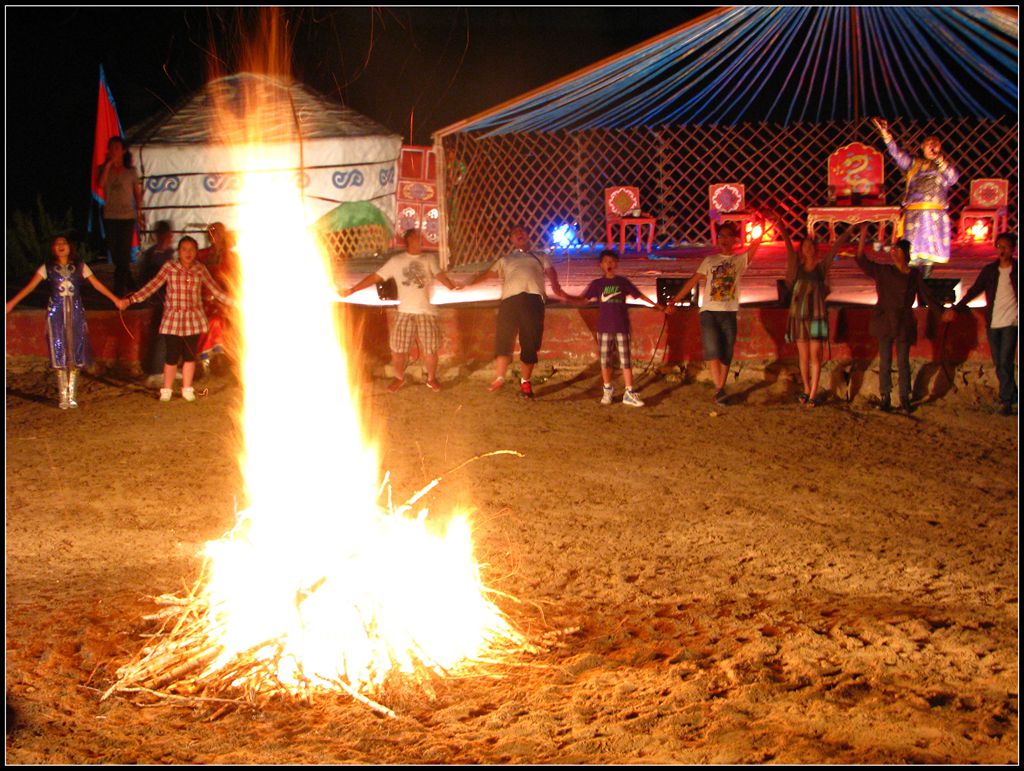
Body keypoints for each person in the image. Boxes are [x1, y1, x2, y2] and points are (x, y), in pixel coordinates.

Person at [5, 235, 122, 409]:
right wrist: (11, 303)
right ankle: (62, 395)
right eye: (57, 244)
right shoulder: (47, 268)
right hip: (56, 314)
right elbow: (30, 287)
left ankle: (72, 395)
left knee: (76, 349)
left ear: (70, 247)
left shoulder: (80, 266)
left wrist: (116, 300)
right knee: (58, 349)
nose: (61, 246)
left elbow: (97, 285)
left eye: (64, 243)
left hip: (76, 313)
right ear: (53, 248)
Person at [341, 228, 457, 392]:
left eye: (420, 238)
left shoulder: (429, 258)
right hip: (405, 312)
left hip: (426, 312)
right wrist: (353, 290)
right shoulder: (397, 261)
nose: (421, 241)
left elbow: (439, 275)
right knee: (398, 350)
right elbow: (376, 277)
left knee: (430, 349)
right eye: (417, 238)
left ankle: (431, 378)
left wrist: (453, 287)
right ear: (408, 241)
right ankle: (399, 377)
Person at [461, 225, 569, 398]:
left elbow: (551, 272)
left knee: (530, 342)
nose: (519, 234)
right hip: (510, 300)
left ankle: (525, 383)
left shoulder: (540, 256)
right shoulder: (506, 259)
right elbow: (488, 274)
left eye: (522, 232)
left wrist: (557, 289)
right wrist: (467, 284)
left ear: (528, 236)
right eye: (514, 233)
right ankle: (499, 377)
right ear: (511, 239)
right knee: (504, 338)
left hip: (533, 300)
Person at [119, 236, 231, 402]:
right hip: (173, 319)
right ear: (179, 251)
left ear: (196, 252)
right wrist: (131, 300)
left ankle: (187, 389)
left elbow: (215, 290)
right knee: (171, 356)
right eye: (184, 249)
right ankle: (167, 389)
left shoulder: (200, 269)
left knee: (189, 356)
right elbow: (152, 286)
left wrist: (237, 303)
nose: (188, 253)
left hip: (193, 319)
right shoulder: (170, 267)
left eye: (192, 250)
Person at [664, 220, 765, 405]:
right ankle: (720, 389)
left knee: (726, 351)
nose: (724, 239)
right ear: (717, 239)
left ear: (735, 239)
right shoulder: (710, 261)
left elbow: (756, 245)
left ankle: (720, 389)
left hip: (729, 311)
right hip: (709, 311)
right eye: (721, 236)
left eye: (728, 236)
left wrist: (763, 226)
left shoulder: (739, 261)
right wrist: (675, 299)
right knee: (712, 350)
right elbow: (693, 280)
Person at [852, 224, 941, 414]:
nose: (894, 253)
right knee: (885, 361)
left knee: (902, 361)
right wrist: (862, 236)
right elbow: (862, 260)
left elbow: (927, 295)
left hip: (903, 321)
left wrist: (942, 312)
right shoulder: (885, 272)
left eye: (897, 250)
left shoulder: (914, 275)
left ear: (905, 254)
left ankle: (904, 397)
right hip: (885, 319)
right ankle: (885, 396)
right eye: (893, 250)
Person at [563, 249, 662, 406]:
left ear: (616, 264)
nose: (609, 264)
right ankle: (607, 390)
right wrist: (568, 298)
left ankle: (629, 392)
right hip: (604, 328)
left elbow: (639, 295)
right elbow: (584, 300)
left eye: (611, 261)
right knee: (605, 361)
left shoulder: (622, 282)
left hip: (621, 326)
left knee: (625, 361)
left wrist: (656, 306)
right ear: (600, 265)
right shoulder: (597, 284)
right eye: (606, 261)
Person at [871, 118, 959, 277]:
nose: (932, 145)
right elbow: (896, 153)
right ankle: (909, 286)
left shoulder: (944, 166)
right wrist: (886, 134)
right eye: (928, 143)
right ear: (922, 147)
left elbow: (953, 179)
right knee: (911, 254)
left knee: (929, 256)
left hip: (934, 217)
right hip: (914, 216)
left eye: (936, 143)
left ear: (940, 147)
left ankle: (924, 286)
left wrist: (939, 159)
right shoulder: (914, 164)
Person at [943, 232, 1018, 416]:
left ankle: (1006, 401)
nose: (1001, 250)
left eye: (1005, 247)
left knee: (1005, 361)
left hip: (1011, 321)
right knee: (999, 362)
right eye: (999, 246)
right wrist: (957, 308)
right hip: (993, 322)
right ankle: (1012, 395)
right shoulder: (990, 271)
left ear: (1013, 249)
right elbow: (974, 290)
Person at [780, 223, 853, 407]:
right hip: (798, 317)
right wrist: (781, 226)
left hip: (817, 317)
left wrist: (849, 231)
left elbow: (835, 248)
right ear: (802, 250)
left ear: (815, 249)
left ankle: (813, 393)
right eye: (805, 246)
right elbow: (788, 248)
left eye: (811, 246)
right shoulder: (797, 268)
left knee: (815, 355)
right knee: (803, 356)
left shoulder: (821, 268)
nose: (809, 249)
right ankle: (806, 388)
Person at [97, 136, 145, 295]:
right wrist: (109, 164)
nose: (114, 151)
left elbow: (137, 194)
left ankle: (118, 290)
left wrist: (139, 213)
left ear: (123, 151)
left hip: (126, 217)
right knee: (116, 254)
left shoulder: (131, 172)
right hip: (110, 216)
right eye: (111, 148)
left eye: (117, 148)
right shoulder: (103, 169)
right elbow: (100, 184)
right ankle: (130, 281)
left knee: (123, 252)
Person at [196, 222, 238, 376]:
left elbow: (235, 282)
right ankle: (205, 361)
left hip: (223, 300)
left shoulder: (232, 257)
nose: (212, 237)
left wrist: (232, 301)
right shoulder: (202, 255)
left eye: (216, 233)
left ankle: (215, 360)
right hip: (202, 299)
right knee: (208, 319)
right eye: (210, 233)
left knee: (216, 320)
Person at [140, 220, 176, 383]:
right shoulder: (154, 255)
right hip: (161, 299)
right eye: (167, 235)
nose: (169, 237)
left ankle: (167, 367)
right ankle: (156, 371)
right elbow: (147, 279)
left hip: (171, 299)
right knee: (163, 334)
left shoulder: (169, 253)